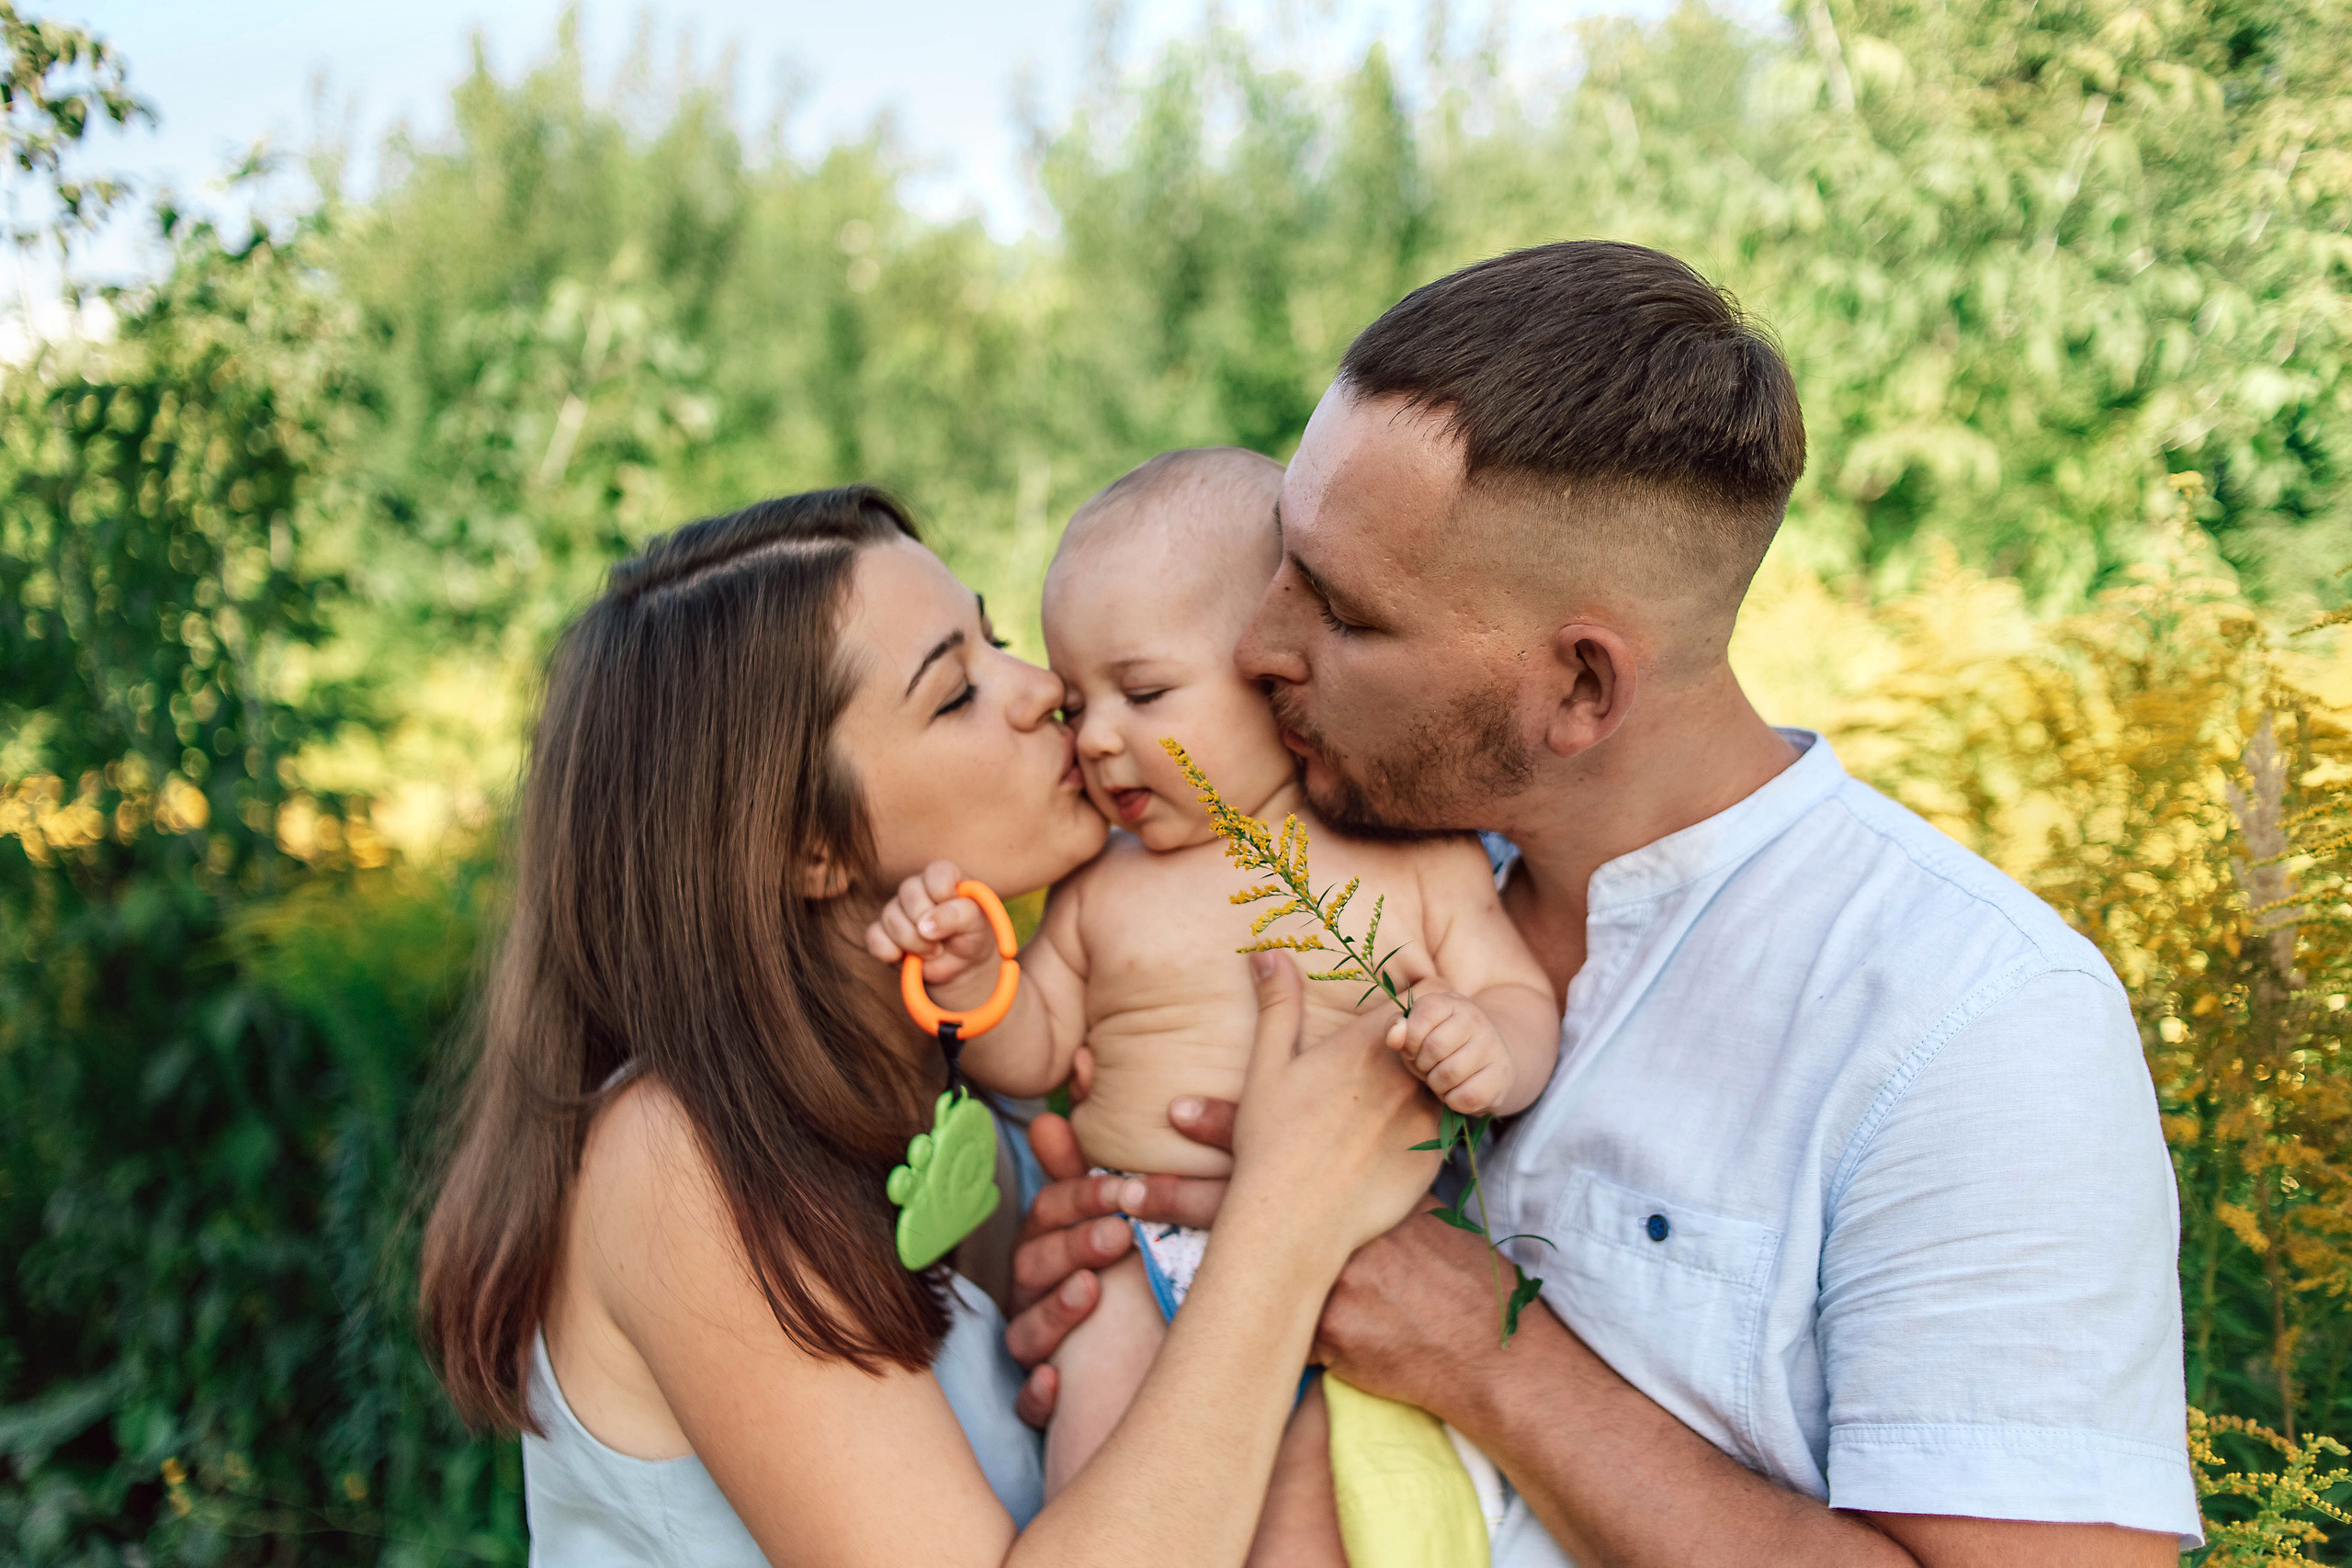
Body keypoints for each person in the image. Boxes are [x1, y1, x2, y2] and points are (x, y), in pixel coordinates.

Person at [1002, 242, 2200, 1566]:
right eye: (1281, 561)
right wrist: (1155, 1277)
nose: (1258, 643)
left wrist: (1488, 1358)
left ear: (1581, 685)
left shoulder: (1970, 1019)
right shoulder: (1342, 876)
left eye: (1340, 611)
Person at [416, 488, 1442, 1567]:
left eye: (998, 640)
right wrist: (1286, 1225)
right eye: (956, 691)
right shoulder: (680, 1163)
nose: (1046, 690)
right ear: (806, 848)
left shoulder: (976, 1088)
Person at [859, 446, 1556, 1511]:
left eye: (1141, 692)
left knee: (1349, 1512)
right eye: (1078, 701)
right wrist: (968, 981)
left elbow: (1518, 1001)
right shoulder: (1106, 886)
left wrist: (1485, 1045)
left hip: (1361, 1266)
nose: (1093, 737)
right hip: (1138, 1262)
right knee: (1111, 1497)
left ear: (1277, 672)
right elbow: (1033, 1044)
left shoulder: (1411, 858)